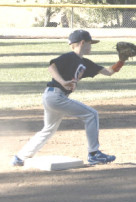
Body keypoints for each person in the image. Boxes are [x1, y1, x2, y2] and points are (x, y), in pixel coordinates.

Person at [12, 29, 126, 166]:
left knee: (49, 129)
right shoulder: (70, 57)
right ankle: (94, 154)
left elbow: (108, 72)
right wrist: (62, 81)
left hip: (52, 97)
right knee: (91, 115)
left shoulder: (86, 63)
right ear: (82, 42)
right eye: (90, 43)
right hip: (55, 95)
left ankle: (20, 157)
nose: (91, 46)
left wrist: (121, 61)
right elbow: (52, 67)